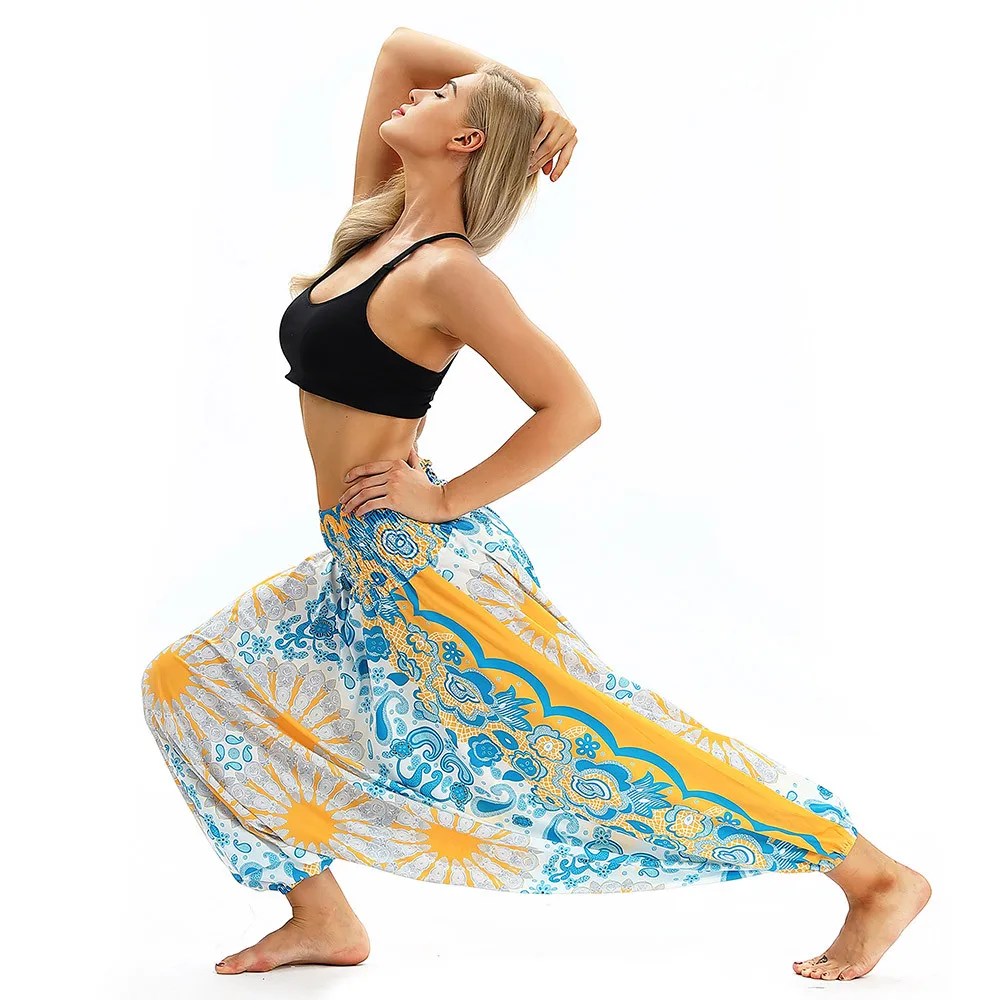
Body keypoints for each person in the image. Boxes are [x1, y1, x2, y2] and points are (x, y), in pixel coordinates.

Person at [140, 26, 930, 981]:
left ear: (464, 141)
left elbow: (572, 410)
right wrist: (534, 87)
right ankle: (323, 918)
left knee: (613, 747)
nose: (417, 96)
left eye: (445, 100)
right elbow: (399, 49)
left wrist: (443, 498)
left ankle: (874, 876)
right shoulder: (377, 225)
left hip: (426, 572)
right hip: (359, 563)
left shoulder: (447, 271)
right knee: (191, 681)